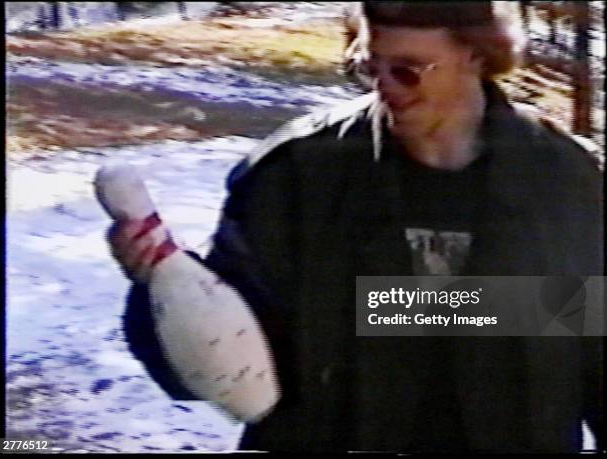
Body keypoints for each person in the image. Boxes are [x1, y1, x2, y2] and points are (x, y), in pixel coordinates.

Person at [107, 1, 604, 453]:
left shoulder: (563, 178)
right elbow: (225, 365)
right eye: (370, 66)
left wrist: (386, 305)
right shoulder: (297, 174)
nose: (384, 87)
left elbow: (595, 351)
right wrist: (162, 287)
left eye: (407, 71)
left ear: (476, 55)